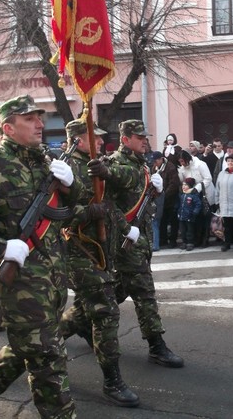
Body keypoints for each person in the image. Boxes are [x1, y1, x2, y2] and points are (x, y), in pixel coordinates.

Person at [0, 95, 82, 418]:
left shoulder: (46, 161)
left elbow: (69, 211)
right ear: (8, 127)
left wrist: (71, 185)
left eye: (39, 118)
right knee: (48, 361)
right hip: (20, 286)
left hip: (52, 282)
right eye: (30, 119)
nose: (40, 124)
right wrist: (1, 247)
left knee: (24, 347)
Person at [87, 120, 184, 368]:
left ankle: (73, 323)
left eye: (145, 137)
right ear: (125, 139)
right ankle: (156, 346)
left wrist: (156, 190)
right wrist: (125, 228)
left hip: (140, 240)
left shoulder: (142, 164)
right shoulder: (115, 164)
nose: (145, 141)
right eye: (139, 137)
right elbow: (109, 199)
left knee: (118, 291)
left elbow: (140, 198)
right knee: (144, 292)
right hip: (125, 242)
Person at [60, 119, 139, 408]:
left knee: (83, 309)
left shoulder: (97, 165)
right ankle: (112, 381)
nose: (102, 142)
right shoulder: (64, 168)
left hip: (103, 249)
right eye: (95, 137)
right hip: (79, 250)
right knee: (106, 311)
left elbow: (110, 202)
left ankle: (47, 340)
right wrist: (85, 212)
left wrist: (124, 226)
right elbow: (54, 213)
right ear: (79, 140)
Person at [178, 149, 215, 247]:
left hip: (204, 194)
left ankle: (205, 239)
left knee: (205, 217)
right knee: (197, 218)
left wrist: (196, 189)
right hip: (192, 196)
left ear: (187, 159)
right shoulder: (183, 168)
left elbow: (208, 179)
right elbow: (183, 180)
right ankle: (196, 239)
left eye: (182, 161)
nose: (181, 163)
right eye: (180, 161)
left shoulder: (200, 164)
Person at [151, 151, 180, 250]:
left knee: (172, 220)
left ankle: (173, 240)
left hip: (170, 199)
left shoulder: (170, 167)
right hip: (160, 200)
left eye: (156, 161)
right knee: (162, 220)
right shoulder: (155, 168)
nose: (155, 164)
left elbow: (174, 184)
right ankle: (163, 240)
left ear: (161, 159)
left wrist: (164, 195)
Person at [178, 177, 202, 251]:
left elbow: (198, 204)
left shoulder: (193, 195)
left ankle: (190, 243)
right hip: (182, 216)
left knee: (189, 231)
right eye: (183, 185)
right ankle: (184, 242)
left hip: (190, 216)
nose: (183, 186)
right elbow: (180, 205)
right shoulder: (182, 195)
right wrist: (178, 213)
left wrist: (195, 212)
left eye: (186, 185)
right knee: (183, 230)